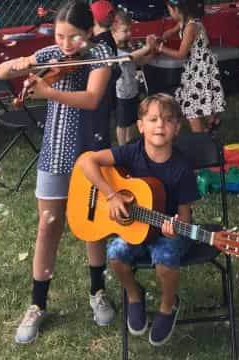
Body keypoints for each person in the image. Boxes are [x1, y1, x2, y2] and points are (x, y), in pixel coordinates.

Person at [0, 0, 116, 344]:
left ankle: (97, 291)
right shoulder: (51, 52)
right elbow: (4, 73)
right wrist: (17, 64)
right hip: (54, 152)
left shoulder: (100, 58)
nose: (64, 45)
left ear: (90, 32)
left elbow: (92, 99)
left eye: (73, 37)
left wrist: (48, 92)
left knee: (94, 226)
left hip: (91, 155)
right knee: (48, 227)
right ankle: (37, 304)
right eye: (59, 36)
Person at [79, 93, 199, 344]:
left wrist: (176, 228)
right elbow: (87, 162)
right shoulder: (131, 152)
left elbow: (185, 214)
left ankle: (168, 305)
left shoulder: (181, 168)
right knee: (115, 254)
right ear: (140, 125)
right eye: (153, 119)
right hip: (135, 230)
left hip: (167, 231)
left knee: (165, 259)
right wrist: (110, 194)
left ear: (177, 128)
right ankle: (134, 295)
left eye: (167, 120)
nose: (160, 125)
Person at [147, 0, 226, 133]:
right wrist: (162, 37)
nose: (170, 14)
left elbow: (181, 54)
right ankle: (212, 122)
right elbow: (171, 31)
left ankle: (199, 139)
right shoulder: (184, 22)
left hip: (200, 69)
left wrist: (159, 47)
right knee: (200, 97)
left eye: (170, 11)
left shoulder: (191, 27)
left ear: (177, 10)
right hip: (196, 67)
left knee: (190, 106)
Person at [111, 10, 156, 145]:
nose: (129, 34)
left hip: (133, 91)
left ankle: (129, 143)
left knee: (131, 120)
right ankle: (121, 146)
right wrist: (147, 47)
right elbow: (129, 58)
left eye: (130, 30)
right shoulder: (115, 50)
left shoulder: (128, 48)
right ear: (113, 33)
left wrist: (151, 54)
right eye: (125, 31)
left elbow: (137, 61)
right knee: (122, 123)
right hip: (121, 94)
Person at [89, 0, 118, 150]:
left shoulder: (103, 41)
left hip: (101, 94)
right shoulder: (101, 39)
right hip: (103, 94)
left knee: (99, 133)